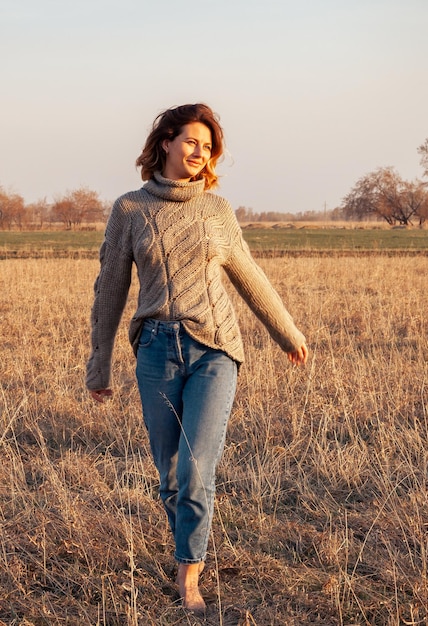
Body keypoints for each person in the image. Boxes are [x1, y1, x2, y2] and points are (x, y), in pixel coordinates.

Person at [86, 103, 308, 614]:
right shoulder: (130, 210)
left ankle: (190, 575)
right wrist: (99, 365)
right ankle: (187, 542)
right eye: (191, 141)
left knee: (194, 468)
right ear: (165, 142)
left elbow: (249, 276)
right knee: (168, 474)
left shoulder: (216, 210)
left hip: (214, 349)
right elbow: (110, 292)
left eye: (207, 147)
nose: (199, 153)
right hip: (156, 351)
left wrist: (286, 331)